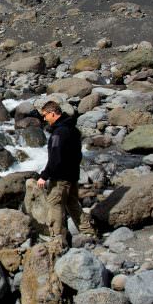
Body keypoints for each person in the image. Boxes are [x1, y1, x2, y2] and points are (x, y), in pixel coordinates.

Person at [35, 100, 94, 251]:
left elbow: (55, 158)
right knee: (73, 204)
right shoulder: (73, 129)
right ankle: (88, 233)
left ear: (53, 113)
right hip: (72, 175)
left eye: (45, 115)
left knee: (54, 205)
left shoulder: (59, 133)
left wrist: (44, 176)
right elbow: (77, 154)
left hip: (60, 178)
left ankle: (55, 239)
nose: (44, 119)